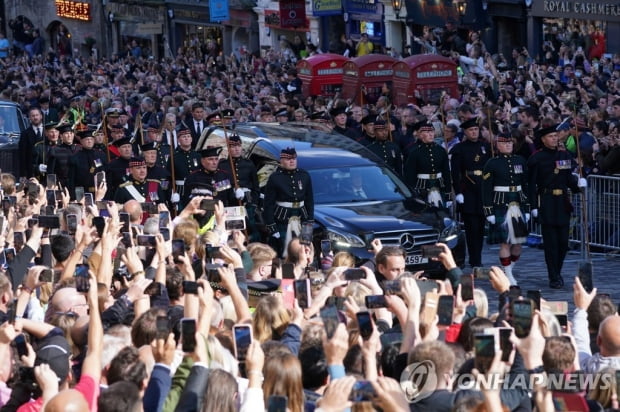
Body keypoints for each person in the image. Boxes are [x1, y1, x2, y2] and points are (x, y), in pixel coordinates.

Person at [527, 124, 586, 289]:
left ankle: (557, 271)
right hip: (546, 201)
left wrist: (578, 185)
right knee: (551, 243)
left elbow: (568, 178)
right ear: (543, 139)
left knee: (562, 243)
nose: (554, 139)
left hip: (562, 203)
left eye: (555, 136)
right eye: (551, 136)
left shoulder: (564, 155)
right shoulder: (536, 159)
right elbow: (531, 185)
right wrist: (533, 207)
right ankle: (553, 276)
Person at [481, 132, 529, 285]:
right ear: (498, 145)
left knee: (518, 243)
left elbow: (526, 185)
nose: (508, 145)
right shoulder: (492, 163)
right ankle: (508, 274)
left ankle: (508, 269)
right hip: (501, 204)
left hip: (517, 202)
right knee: (505, 242)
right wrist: (489, 210)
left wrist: (527, 208)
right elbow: (486, 188)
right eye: (505, 143)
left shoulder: (520, 160)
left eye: (510, 143)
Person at [450, 117, 491, 267]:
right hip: (468, 191)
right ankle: (475, 260)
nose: (474, 132)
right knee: (472, 229)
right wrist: (459, 192)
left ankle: (477, 258)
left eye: (476, 129)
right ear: (465, 132)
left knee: (480, 229)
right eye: (471, 130)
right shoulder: (459, 149)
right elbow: (456, 173)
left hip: (483, 190)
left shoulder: (486, 146)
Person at [263, 147, 314, 257]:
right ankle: (285, 272)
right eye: (288, 159)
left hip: (302, 217)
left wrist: (309, 221)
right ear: (281, 161)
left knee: (305, 248)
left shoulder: (304, 175)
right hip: (282, 219)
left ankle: (304, 270)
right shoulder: (275, 178)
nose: (292, 161)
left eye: (294, 159)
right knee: (283, 250)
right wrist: (272, 226)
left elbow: (309, 200)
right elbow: (268, 204)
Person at [403, 121, 452, 208]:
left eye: (432, 132)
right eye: (427, 132)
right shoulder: (414, 152)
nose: (430, 134)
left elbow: (446, 173)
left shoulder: (441, 150)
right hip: (422, 188)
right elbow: (409, 175)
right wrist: (414, 193)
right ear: (421, 135)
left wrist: (449, 194)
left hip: (439, 186)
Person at [67, 130, 107, 198]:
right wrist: (73, 196)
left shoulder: (101, 155)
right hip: (82, 192)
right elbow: (71, 180)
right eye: (87, 139)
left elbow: (106, 172)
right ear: (81, 142)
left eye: (91, 139)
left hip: (99, 191)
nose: (89, 141)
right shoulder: (75, 158)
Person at [19, 107, 44, 179]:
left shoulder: (48, 131)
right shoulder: (25, 134)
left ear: (41, 116)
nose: (35, 117)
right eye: (33, 116)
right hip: (31, 171)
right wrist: (23, 174)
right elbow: (22, 155)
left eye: (37, 115)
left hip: (47, 169)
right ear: (29, 118)